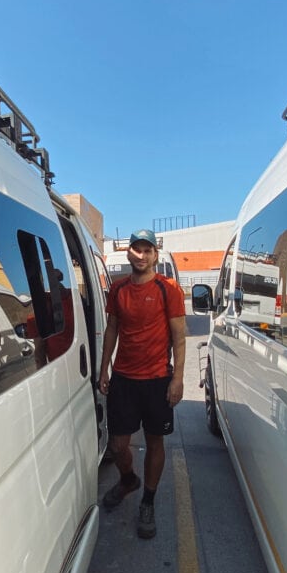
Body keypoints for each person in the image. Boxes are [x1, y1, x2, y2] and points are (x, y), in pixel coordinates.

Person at [98, 228, 186, 539]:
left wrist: (177, 378)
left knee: (154, 442)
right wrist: (104, 368)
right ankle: (128, 480)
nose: (141, 255)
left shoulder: (168, 289)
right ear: (128, 253)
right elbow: (112, 329)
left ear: (155, 256)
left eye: (147, 250)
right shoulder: (118, 290)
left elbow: (179, 336)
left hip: (157, 380)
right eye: (137, 249)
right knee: (118, 444)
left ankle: (147, 500)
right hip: (123, 378)